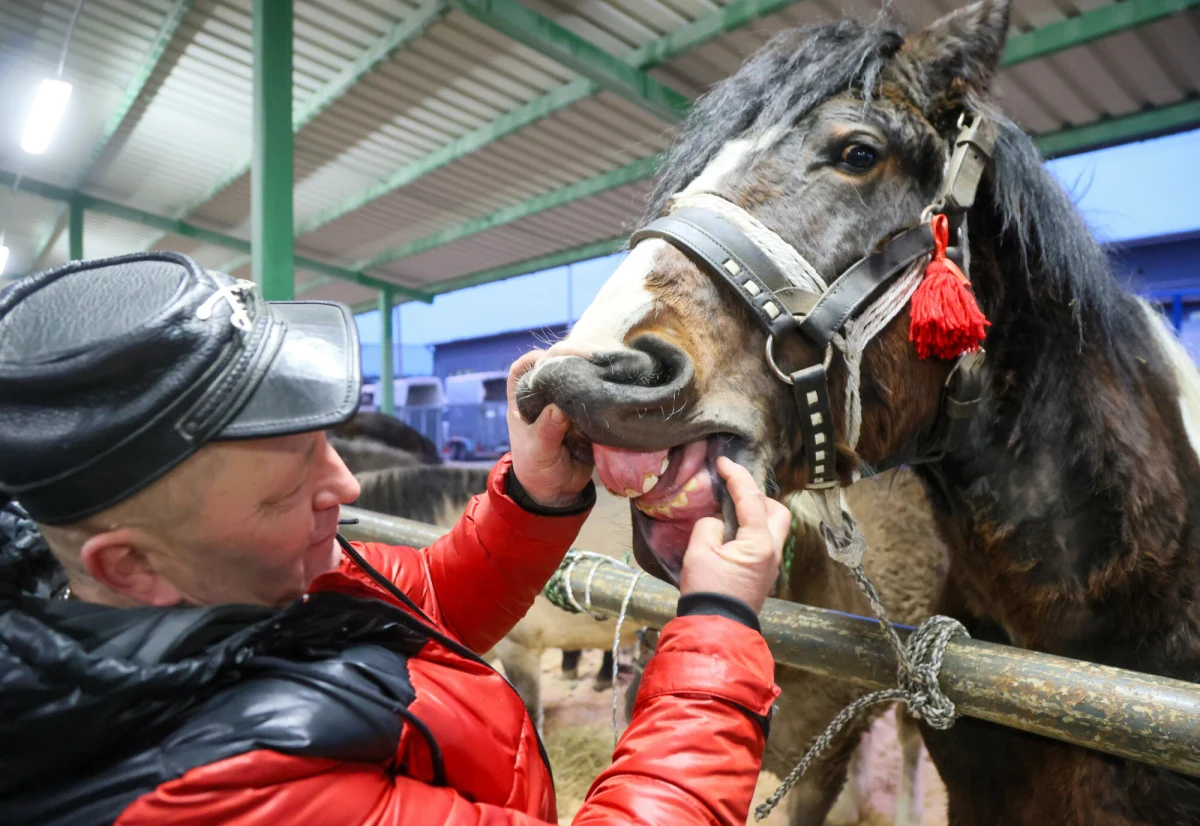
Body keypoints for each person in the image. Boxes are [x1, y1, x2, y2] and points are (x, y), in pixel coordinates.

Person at [0, 252, 791, 826]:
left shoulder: (245, 575)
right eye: (287, 492)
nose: (344, 489)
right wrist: (717, 627)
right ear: (132, 565)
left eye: (323, 445)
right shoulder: (217, 793)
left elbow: (421, 612)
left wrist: (532, 497)